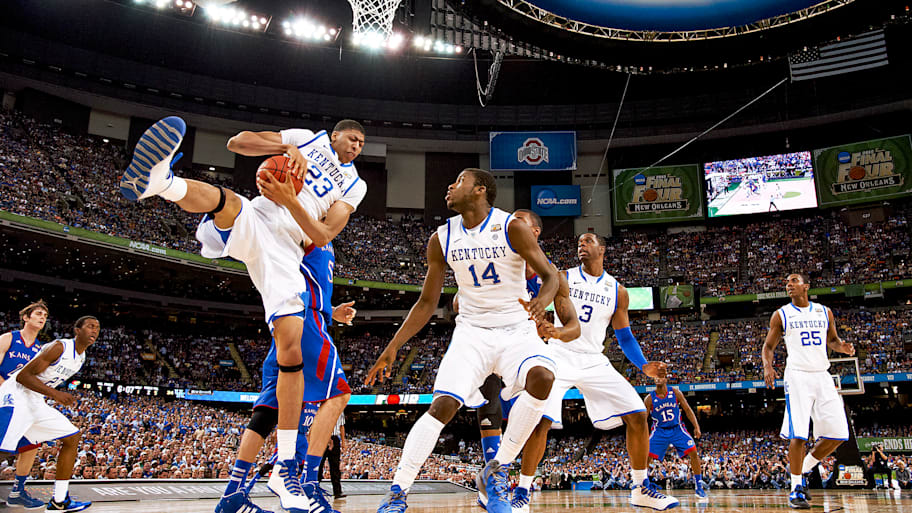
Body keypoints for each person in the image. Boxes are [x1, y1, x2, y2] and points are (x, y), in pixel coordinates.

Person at [120, 116, 365, 512]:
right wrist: (287, 150)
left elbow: (321, 235)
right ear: (334, 135)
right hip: (260, 217)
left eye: (361, 143)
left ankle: (282, 470)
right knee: (229, 201)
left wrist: (289, 200)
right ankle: (161, 182)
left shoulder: (356, 184)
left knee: (290, 348)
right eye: (352, 138)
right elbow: (237, 142)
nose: (356, 146)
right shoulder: (306, 138)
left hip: (288, 248)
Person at [366, 168, 560, 513]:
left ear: (479, 190)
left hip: (516, 329)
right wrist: (393, 345)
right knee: (442, 407)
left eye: (458, 181)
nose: (450, 187)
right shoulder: (441, 238)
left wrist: (539, 304)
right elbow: (427, 303)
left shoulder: (511, 227)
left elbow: (550, 276)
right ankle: (397, 491)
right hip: (472, 332)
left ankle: (497, 468)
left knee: (543, 377)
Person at [510, 233, 678, 511]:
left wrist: (643, 364)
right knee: (541, 420)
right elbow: (534, 283)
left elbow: (624, 336)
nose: (581, 245)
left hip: (593, 358)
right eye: (578, 242)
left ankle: (640, 488)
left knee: (638, 414)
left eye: (588, 241)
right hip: (559, 353)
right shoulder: (563, 276)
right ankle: (523, 491)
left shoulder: (617, 290)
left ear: (602, 249)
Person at [216, 240, 356, 513]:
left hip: (293, 320)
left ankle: (231, 496)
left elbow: (307, 277)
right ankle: (308, 485)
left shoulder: (324, 235)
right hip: (305, 318)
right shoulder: (306, 220)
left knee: (268, 411)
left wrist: (331, 309)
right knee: (339, 393)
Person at [468, 209, 580, 512]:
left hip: (533, 354)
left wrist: (555, 331)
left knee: (539, 423)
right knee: (487, 399)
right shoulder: (494, 261)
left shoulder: (554, 278)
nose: (509, 229)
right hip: (495, 347)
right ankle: (494, 483)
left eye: (518, 224)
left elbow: (574, 327)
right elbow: (460, 299)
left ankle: (520, 486)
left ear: (534, 233)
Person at [762, 273, 855, 509]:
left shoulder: (824, 311)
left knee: (839, 433)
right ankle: (795, 490)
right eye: (787, 282)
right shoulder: (781, 314)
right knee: (799, 435)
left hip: (822, 375)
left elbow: (832, 340)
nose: (789, 284)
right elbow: (769, 346)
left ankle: (800, 471)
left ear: (806, 286)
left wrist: (841, 347)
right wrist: (768, 366)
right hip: (798, 376)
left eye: (794, 280)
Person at [0, 315, 101, 512]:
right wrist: (55, 394)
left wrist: (52, 394)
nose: (94, 330)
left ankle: (59, 501)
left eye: (97, 327)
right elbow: (23, 376)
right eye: (90, 326)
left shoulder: (81, 358)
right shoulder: (59, 347)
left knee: (73, 437)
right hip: (16, 396)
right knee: (3, 449)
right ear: (77, 330)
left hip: (36, 400)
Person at [0, 300, 49, 508]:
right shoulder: (8, 338)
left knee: (31, 445)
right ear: (26, 317)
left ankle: (18, 491)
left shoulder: (41, 350)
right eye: (38, 313)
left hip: (24, 402)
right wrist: (7, 390)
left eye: (45, 316)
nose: (42, 318)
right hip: (4, 397)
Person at [645, 377, 707, 498]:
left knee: (693, 452)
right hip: (659, 431)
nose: (658, 378)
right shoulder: (649, 398)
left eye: (661, 376)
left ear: (666, 379)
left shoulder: (675, 392)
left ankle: (699, 486)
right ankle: (641, 486)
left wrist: (696, 426)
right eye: (656, 376)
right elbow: (643, 421)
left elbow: (688, 410)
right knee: (646, 457)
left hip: (677, 428)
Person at [319, 412, 345, 498]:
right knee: (319, 464)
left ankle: (337, 492)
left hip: (335, 437)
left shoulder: (341, 411)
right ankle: (315, 488)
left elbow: (342, 426)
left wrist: (343, 442)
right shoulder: (324, 407)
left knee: (335, 466)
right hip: (323, 437)